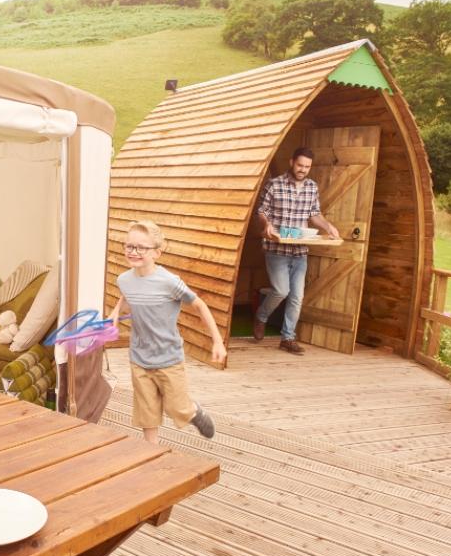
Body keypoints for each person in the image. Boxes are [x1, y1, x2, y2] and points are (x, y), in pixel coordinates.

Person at [108, 220, 227, 446]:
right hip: (139, 357)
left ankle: (194, 412)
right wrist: (114, 314)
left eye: (141, 247)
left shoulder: (169, 282)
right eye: (129, 246)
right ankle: (151, 451)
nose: (134, 252)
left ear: (157, 253)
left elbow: (200, 305)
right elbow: (127, 298)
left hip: (168, 357)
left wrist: (218, 342)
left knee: (176, 408)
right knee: (146, 410)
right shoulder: (124, 280)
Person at [253, 146, 340, 355]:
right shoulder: (274, 185)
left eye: (307, 166)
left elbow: (314, 214)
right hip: (276, 248)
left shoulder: (312, 187)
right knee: (281, 291)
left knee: (297, 296)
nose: (303, 169)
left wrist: (328, 227)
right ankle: (261, 316)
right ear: (292, 162)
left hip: (299, 251)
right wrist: (266, 225)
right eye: (300, 165)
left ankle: (288, 338)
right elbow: (261, 212)